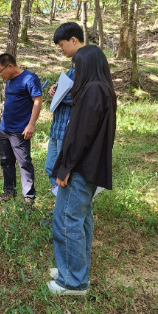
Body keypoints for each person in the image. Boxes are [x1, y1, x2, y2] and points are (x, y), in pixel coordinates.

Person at [47, 45, 117, 295]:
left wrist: (65, 167)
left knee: (66, 219)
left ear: (86, 66)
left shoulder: (91, 92)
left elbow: (79, 135)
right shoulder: (104, 89)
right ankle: (74, 269)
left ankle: (73, 281)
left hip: (79, 168)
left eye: (76, 67)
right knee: (82, 219)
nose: (73, 71)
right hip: (90, 166)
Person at [0, 53, 43, 205]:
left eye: (1, 70)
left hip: (19, 130)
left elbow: (37, 101)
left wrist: (31, 124)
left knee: (24, 163)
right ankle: (9, 191)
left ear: (10, 66)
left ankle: (29, 197)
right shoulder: (8, 81)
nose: (0, 74)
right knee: (6, 161)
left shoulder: (29, 79)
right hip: (5, 128)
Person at [45, 22, 85, 189]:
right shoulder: (74, 63)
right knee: (51, 167)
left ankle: (67, 210)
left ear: (73, 40)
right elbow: (70, 86)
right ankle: (61, 208)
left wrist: (61, 93)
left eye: (62, 45)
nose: (61, 49)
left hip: (69, 129)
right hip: (58, 127)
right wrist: (56, 87)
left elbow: (82, 95)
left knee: (65, 173)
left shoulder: (87, 62)